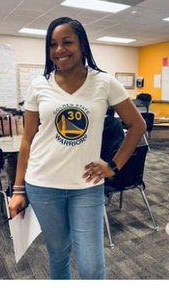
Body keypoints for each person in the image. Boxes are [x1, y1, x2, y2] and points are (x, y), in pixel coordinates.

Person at [8, 16, 146, 279]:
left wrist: (113, 165)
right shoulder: (39, 85)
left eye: (67, 42)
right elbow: (27, 140)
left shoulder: (104, 83)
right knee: (58, 255)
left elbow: (137, 126)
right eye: (53, 45)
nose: (59, 50)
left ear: (82, 44)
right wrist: (17, 190)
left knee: (91, 266)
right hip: (43, 184)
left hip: (86, 186)